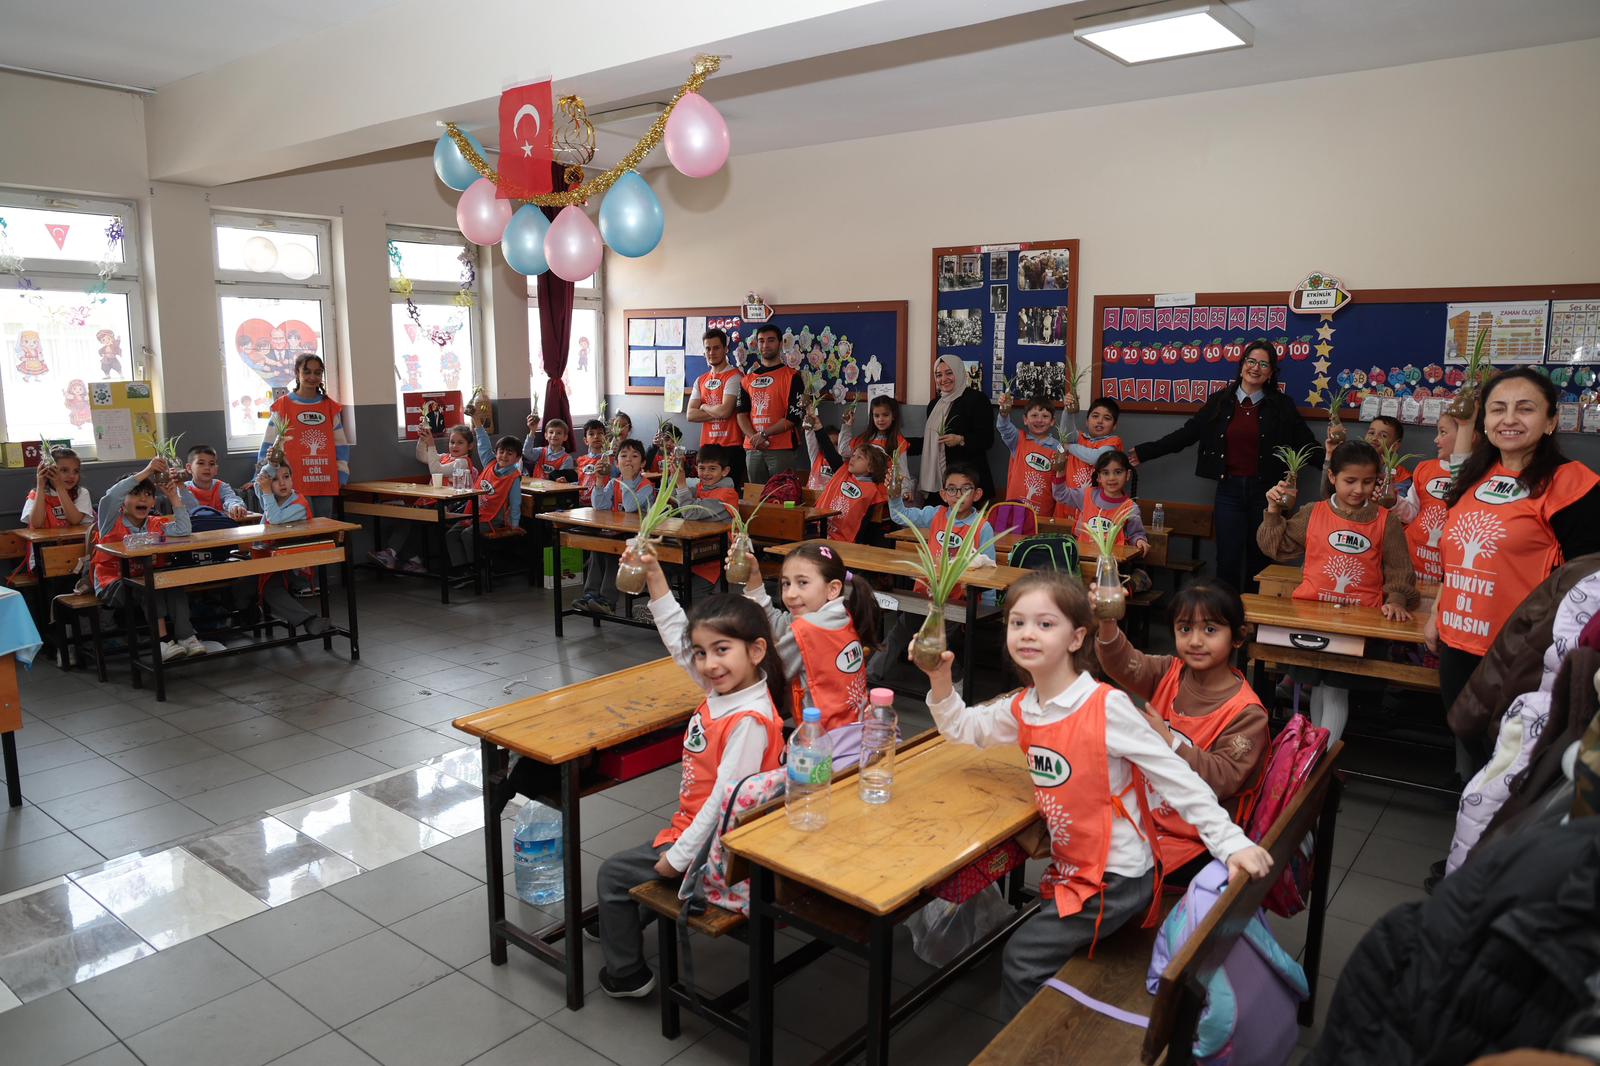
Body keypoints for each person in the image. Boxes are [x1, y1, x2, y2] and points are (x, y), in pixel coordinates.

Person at [911, 570, 1274, 1016]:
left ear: (1076, 637)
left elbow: (1178, 779)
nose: (1028, 633)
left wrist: (1232, 843)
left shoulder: (1106, 707)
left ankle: (1034, 1045)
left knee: (1021, 957)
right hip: (1074, 866)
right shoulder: (1025, 706)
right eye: (1017, 622)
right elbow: (963, 728)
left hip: (1117, 877)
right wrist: (940, 678)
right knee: (1031, 945)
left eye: (1045, 624)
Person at [595, 570, 787, 999]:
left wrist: (678, 858)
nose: (708, 664)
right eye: (701, 653)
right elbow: (678, 641)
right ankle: (620, 917)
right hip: (700, 833)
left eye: (722, 650)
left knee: (612, 875)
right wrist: (654, 577)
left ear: (757, 650)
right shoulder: (729, 690)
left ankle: (627, 975)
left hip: (714, 852)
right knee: (629, 876)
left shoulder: (748, 721)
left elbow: (723, 805)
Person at [1427, 368, 1600, 744]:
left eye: (1525, 409)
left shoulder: (1572, 484)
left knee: (1511, 758)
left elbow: (1589, 585)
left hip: (1523, 655)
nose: (1509, 419)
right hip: (1457, 642)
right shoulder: (1473, 475)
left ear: (1551, 421)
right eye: (1497, 409)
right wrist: (1436, 612)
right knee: (1469, 747)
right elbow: (1453, 554)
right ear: (1485, 421)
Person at [1094, 583, 1270, 881]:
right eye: (1185, 629)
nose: (1196, 641)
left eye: (1210, 630)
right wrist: (1107, 619)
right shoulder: (1169, 673)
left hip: (1198, 840)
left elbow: (1221, 779)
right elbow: (1121, 663)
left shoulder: (1247, 714)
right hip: (1146, 819)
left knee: (1100, 870)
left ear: (1238, 637)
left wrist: (1166, 740)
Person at [1259, 440, 1420, 742]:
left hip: (1357, 624)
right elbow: (1275, 547)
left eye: (1368, 482)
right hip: (1311, 620)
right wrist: (1273, 510)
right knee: (1319, 687)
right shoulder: (1313, 513)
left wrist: (1397, 599)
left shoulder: (1386, 520)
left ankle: (1321, 757)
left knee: (1335, 689)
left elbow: (1400, 570)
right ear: (1332, 477)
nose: (1359, 489)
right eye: (1350, 481)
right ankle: (1318, 756)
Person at [1130, 339, 1318, 594]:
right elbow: (1187, 434)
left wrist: (1337, 465)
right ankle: (1227, 613)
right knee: (1227, 559)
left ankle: (1253, 615)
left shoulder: (1281, 405)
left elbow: (1307, 445)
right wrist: (1145, 452)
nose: (1256, 368)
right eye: (1251, 361)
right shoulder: (1220, 401)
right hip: (1229, 492)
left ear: (1271, 373)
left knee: (1261, 559)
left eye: (1264, 364)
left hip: (1267, 496)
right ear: (1242, 366)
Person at [727, 539, 879, 731]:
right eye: (786, 583)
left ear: (833, 589)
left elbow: (766, 671)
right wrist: (754, 577)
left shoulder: (808, 629)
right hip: (857, 730)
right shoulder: (840, 616)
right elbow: (777, 624)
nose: (790, 593)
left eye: (802, 583)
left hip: (825, 740)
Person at [95, 459, 200, 661]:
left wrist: (174, 497)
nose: (142, 498)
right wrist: (148, 471)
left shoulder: (155, 523)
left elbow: (183, 530)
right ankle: (162, 642)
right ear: (122, 502)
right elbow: (111, 496)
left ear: (153, 502)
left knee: (172, 583)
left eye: (148, 494)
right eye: (135, 494)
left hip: (146, 579)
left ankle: (186, 637)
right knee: (149, 585)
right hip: (113, 583)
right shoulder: (110, 522)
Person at [257, 353, 350, 516]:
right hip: (291, 481)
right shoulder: (283, 406)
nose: (312, 377)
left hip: (324, 480)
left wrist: (342, 474)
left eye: (317, 372)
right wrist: (260, 475)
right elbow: (269, 444)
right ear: (297, 373)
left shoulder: (329, 407)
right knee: (300, 527)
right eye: (307, 372)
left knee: (324, 526)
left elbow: (340, 445)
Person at [250, 459, 332, 635]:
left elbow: (275, 519)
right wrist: (270, 467)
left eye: (286, 477)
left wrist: (267, 490)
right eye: (274, 479)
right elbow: (259, 486)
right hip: (268, 557)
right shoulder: (271, 499)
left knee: (270, 588)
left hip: (291, 562)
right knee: (242, 585)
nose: (282, 483)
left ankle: (309, 620)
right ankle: (248, 615)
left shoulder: (299, 504)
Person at [575, 439, 654, 615]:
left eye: (634, 456)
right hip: (618, 533)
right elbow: (599, 506)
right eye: (623, 456)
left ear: (643, 463)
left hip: (639, 539)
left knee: (613, 551)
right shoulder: (614, 483)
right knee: (597, 547)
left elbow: (630, 506)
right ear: (616, 463)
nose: (628, 460)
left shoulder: (646, 486)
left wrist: (627, 479)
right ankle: (590, 595)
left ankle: (607, 601)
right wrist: (600, 480)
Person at [1392, 413, 1467, 583]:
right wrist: (1394, 502)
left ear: (1467, 434)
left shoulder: (1477, 475)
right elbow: (1412, 512)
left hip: (1450, 571)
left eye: (1443, 432)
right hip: (1414, 561)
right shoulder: (1424, 469)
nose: (1436, 439)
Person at [445, 428, 523, 578]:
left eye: (509, 453)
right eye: (501, 452)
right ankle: (462, 570)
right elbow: (483, 444)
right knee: (451, 534)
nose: (504, 456)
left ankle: (476, 571)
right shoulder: (490, 463)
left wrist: (514, 525)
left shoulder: (513, 477)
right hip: (475, 513)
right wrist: (478, 424)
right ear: (496, 453)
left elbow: (515, 503)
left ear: (517, 458)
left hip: (493, 520)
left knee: (468, 534)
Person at [736, 324, 807, 481]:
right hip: (753, 448)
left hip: (782, 448)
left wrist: (764, 435)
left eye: (771, 340)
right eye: (761, 341)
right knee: (756, 494)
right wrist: (754, 438)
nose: (765, 345)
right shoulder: (746, 380)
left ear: (780, 344)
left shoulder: (793, 377)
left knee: (782, 493)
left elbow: (793, 418)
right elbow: (741, 414)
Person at [921, 354, 996, 504]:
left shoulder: (976, 399)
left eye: (949, 373)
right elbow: (931, 441)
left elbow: (987, 440)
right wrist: (901, 443)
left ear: (959, 372)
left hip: (967, 483)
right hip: (938, 481)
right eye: (938, 375)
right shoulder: (934, 405)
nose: (944, 379)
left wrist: (961, 440)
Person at [670, 443, 740, 599]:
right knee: (660, 564)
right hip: (698, 545)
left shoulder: (726, 495)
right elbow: (675, 496)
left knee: (692, 594)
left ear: (725, 471)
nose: (706, 473)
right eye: (702, 468)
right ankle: (662, 605)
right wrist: (675, 474)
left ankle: (685, 611)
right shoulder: (702, 487)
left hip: (720, 551)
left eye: (712, 469)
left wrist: (682, 484)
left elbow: (690, 513)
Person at [1053, 450, 1152, 557]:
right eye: (1105, 473)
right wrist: (1061, 470)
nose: (1112, 478)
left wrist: (1139, 541)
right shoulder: (1087, 495)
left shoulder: (1130, 508)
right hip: (1082, 559)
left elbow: (1135, 534)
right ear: (1099, 477)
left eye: (1118, 472)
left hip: (1113, 562)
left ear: (1127, 475)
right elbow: (1060, 494)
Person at [994, 392, 1066, 514]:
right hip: (1013, 510)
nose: (1039, 420)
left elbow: (1061, 480)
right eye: (1034, 415)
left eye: (1045, 416)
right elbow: (1004, 427)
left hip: (1043, 512)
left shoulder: (1059, 448)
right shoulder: (1017, 439)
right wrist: (1004, 412)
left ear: (1052, 421)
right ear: (1025, 420)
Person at [1058, 398, 1125, 520]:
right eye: (1095, 416)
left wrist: (1068, 446)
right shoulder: (1079, 438)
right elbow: (1065, 434)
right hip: (1069, 507)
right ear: (1087, 421)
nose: (1100, 421)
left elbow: (1095, 458)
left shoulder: (1114, 442)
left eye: (1107, 418)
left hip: (1097, 512)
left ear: (1114, 426)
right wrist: (1067, 410)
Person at [841, 396, 915, 502]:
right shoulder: (864, 438)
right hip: (859, 494)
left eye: (885, 415)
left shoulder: (898, 442)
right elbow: (844, 451)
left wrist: (905, 491)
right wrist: (847, 426)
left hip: (883, 497)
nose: (880, 419)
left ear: (893, 416)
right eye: (876, 415)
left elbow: (902, 471)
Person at [815, 441, 888, 543]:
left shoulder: (873, 491)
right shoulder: (843, 472)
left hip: (844, 542)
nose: (853, 459)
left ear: (871, 467)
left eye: (859, 458)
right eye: (853, 455)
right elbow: (830, 451)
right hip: (819, 531)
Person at [686, 328, 744, 456]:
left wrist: (703, 406)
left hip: (731, 445)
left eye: (716, 348)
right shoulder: (700, 380)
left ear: (726, 349)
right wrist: (719, 412)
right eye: (708, 349)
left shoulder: (735, 376)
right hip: (707, 446)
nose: (712, 352)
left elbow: (725, 411)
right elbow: (690, 415)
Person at [23, 446, 92, 530]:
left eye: (76, 471)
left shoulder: (81, 493)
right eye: (64, 470)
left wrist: (59, 487)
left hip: (74, 538)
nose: (72, 476)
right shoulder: (36, 493)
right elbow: (36, 524)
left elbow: (75, 520)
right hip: (46, 538)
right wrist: (40, 486)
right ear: (48, 471)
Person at [179, 445, 248, 520]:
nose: (207, 468)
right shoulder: (183, 488)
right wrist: (181, 487)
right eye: (201, 463)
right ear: (189, 468)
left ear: (216, 469)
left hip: (220, 525)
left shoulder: (221, 486)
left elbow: (231, 498)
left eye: (211, 464)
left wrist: (235, 506)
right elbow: (188, 508)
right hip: (194, 526)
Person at [522, 416, 576, 481]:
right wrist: (532, 431)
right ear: (546, 436)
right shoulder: (541, 451)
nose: (554, 435)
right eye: (551, 432)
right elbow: (526, 453)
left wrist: (561, 479)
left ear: (565, 437)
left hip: (554, 487)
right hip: (536, 486)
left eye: (559, 433)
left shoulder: (567, 459)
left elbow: (563, 479)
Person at [575, 419, 612, 506]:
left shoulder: (611, 460)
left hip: (603, 503)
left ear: (606, 438)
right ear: (585, 441)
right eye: (591, 434)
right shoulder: (580, 460)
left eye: (600, 433)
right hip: (582, 504)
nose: (596, 436)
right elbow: (580, 481)